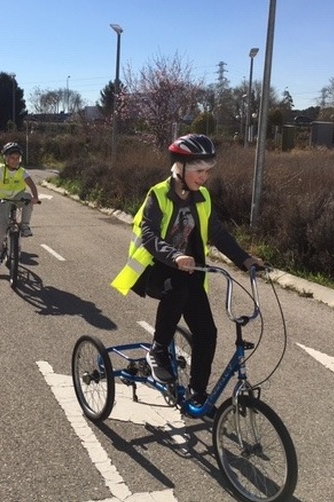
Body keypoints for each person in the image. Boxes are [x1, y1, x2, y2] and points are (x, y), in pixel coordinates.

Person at [111, 134, 263, 412]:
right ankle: (158, 350)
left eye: (207, 171)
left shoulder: (202, 196)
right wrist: (176, 255)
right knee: (179, 287)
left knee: (207, 332)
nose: (204, 177)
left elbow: (217, 232)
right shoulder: (157, 194)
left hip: (188, 272)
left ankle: (197, 393)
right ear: (179, 167)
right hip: (154, 270)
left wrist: (244, 260)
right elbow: (148, 235)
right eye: (198, 171)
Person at [0, 142, 40, 266]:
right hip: (3, 200)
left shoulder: (22, 171)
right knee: (0, 226)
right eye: (12, 158)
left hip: (17, 198)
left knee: (27, 197)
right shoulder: (0, 170)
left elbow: (31, 185)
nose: (15, 161)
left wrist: (35, 197)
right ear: (5, 158)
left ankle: (25, 225)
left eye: (17, 158)